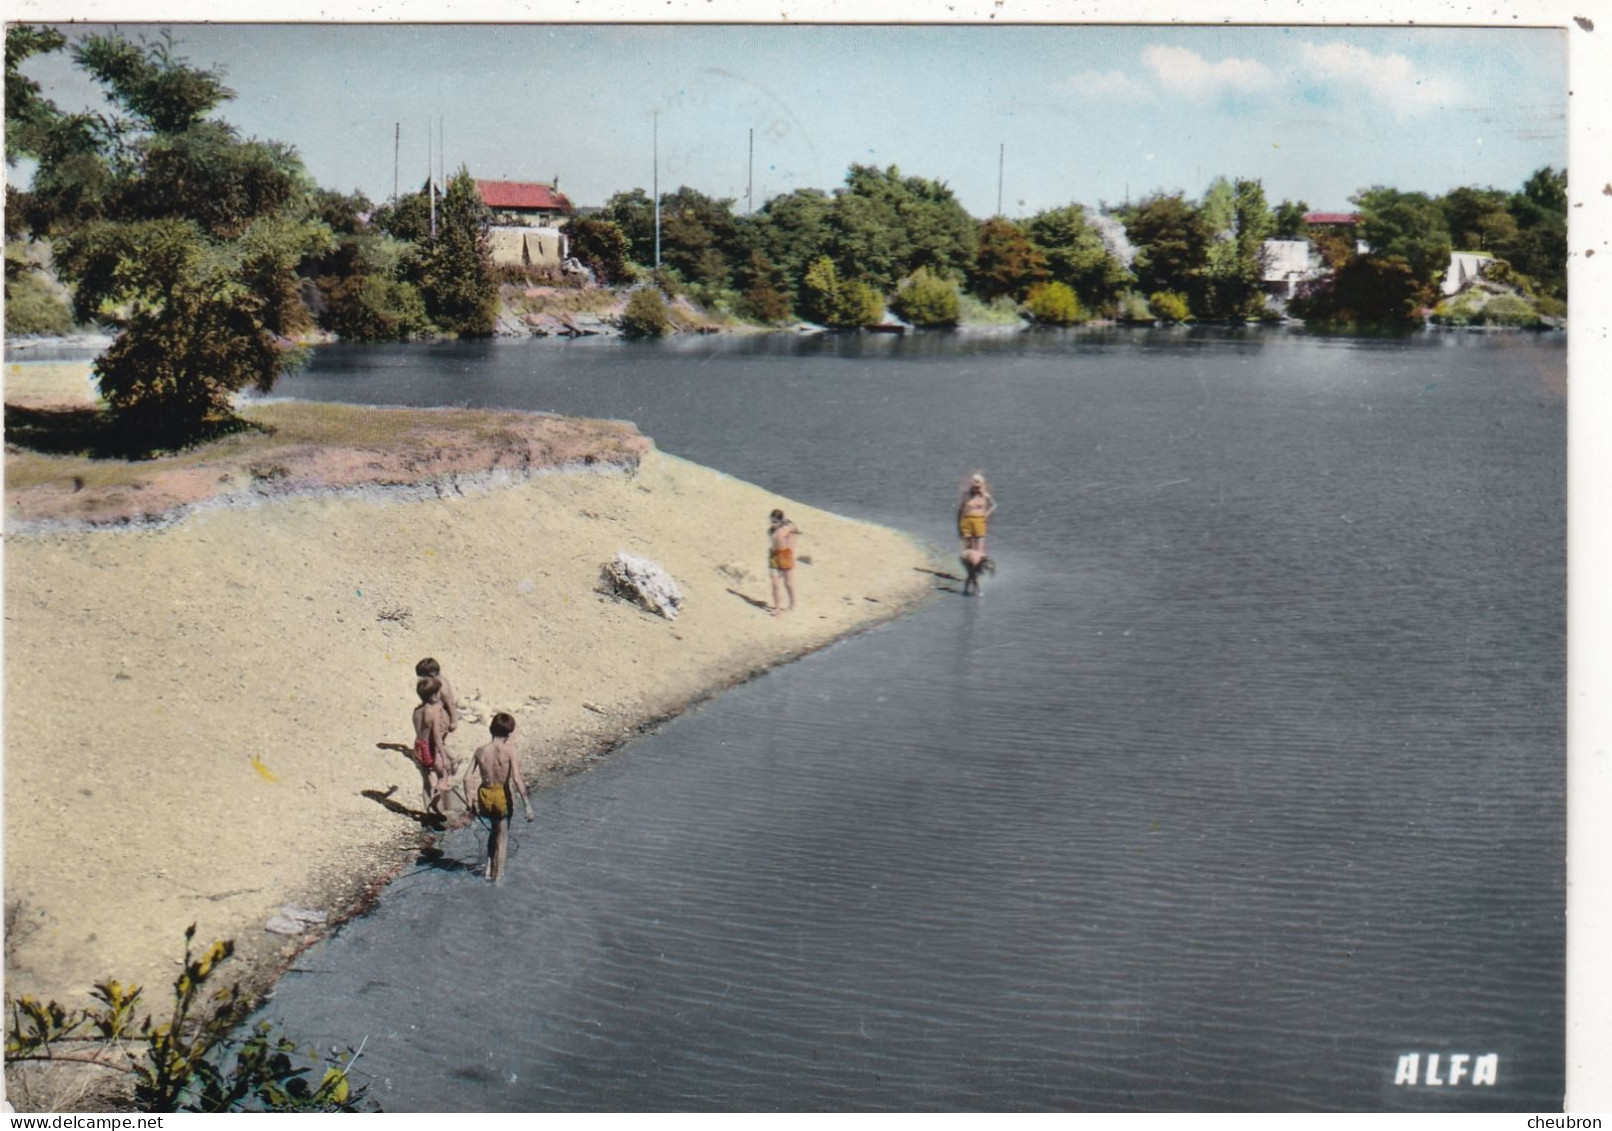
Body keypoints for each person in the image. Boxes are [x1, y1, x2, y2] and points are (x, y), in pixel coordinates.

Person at [462, 712, 534, 882]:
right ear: (508, 733)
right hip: (501, 795)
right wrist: (527, 805)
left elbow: (466, 778)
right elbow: (516, 779)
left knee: (493, 831)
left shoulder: (481, 751)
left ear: (491, 729)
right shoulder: (509, 751)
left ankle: (488, 869)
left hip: (485, 794)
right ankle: (498, 876)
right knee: (502, 837)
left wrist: (469, 801)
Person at [412, 677, 454, 818]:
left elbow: (419, 731)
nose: (439, 695)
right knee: (442, 775)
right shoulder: (433, 711)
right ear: (432, 695)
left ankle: (428, 813)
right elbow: (436, 737)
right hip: (430, 748)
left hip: (418, 747)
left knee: (426, 782)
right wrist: (444, 757)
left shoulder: (416, 711)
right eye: (437, 693)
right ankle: (437, 795)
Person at [768, 509, 800, 617]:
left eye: (775, 521)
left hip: (785, 555)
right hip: (773, 556)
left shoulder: (786, 529)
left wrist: (791, 548)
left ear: (781, 521)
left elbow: (795, 533)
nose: (773, 523)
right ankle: (777, 608)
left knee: (788, 584)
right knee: (775, 583)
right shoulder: (771, 530)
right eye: (772, 521)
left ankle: (792, 603)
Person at [957, 473, 997, 557]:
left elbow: (994, 505)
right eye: (975, 486)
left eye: (978, 487)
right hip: (967, 520)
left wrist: (987, 514)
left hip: (979, 520)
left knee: (980, 540)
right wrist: (959, 524)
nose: (976, 489)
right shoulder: (966, 494)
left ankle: (979, 558)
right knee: (967, 541)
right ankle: (968, 558)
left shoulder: (985, 495)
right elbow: (960, 509)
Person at [414, 657, 459, 733]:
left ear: (431, 675)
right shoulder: (434, 683)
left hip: (442, 716)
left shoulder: (442, 687)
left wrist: (454, 721)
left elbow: (450, 703)